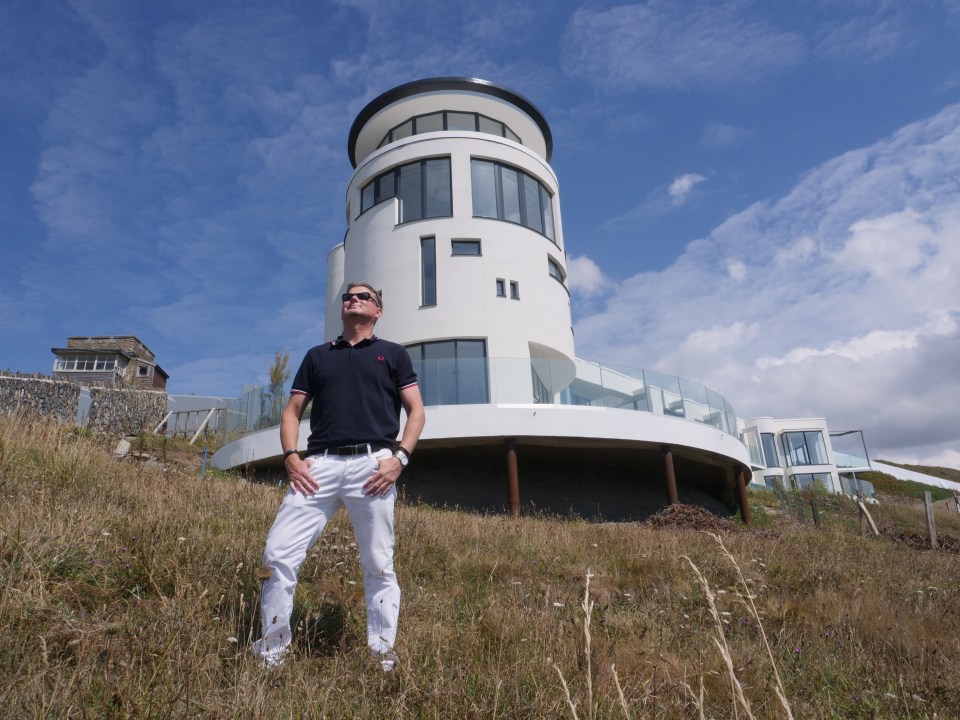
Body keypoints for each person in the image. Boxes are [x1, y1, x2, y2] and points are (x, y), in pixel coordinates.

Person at [253, 282, 425, 671]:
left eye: (364, 296)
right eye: (349, 296)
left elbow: (416, 411)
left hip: (374, 465)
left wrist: (399, 458)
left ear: (377, 310)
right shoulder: (317, 356)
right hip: (320, 465)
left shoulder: (393, 354)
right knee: (277, 552)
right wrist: (291, 457)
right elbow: (292, 412)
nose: (354, 300)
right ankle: (271, 652)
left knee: (379, 562)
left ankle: (382, 652)